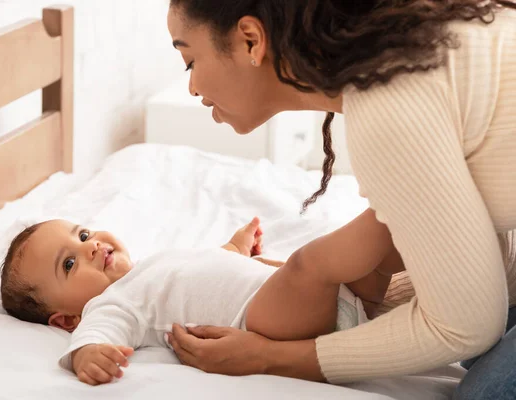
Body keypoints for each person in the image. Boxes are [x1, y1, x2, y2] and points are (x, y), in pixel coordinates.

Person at [164, 1, 516, 398]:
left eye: (190, 61)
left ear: (251, 41)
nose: (192, 87)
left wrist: (270, 357)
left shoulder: (389, 105)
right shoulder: (408, 53)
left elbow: (466, 327)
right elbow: (492, 235)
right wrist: (351, 305)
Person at [0, 213, 401, 385]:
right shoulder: (112, 303)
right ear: (65, 319)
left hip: (333, 303)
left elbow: (209, 266)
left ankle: (415, 219)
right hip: (268, 321)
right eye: (68, 264)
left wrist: (236, 246)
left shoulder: (155, 262)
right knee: (310, 264)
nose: (89, 247)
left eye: (82, 234)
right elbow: (95, 334)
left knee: (381, 258)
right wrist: (88, 355)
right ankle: (387, 207)